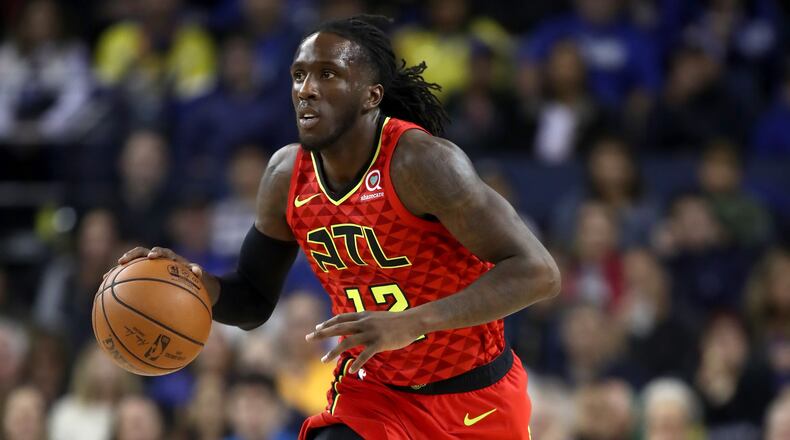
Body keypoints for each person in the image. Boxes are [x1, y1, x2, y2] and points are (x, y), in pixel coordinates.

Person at [117, 15, 560, 439]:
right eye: (298, 75)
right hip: (373, 394)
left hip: (474, 396)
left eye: (327, 75)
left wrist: (412, 323)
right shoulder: (285, 176)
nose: (306, 90)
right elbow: (252, 300)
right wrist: (192, 286)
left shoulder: (422, 163)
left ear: (371, 95)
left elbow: (538, 272)